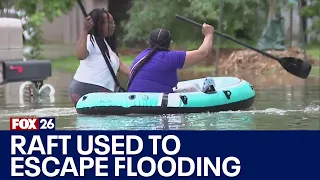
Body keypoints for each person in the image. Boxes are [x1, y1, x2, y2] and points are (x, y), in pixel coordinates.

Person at [127, 24, 214, 93]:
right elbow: (203, 53)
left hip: (133, 103)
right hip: (157, 107)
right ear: (170, 44)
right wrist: (209, 34)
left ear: (150, 43)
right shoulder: (170, 58)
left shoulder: (140, 57)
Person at [69, 8, 130, 107]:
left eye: (113, 22)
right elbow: (80, 55)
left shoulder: (105, 44)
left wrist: (139, 76)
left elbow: (120, 66)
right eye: (109, 23)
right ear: (99, 25)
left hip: (96, 90)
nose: (113, 25)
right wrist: (85, 30)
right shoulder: (90, 39)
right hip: (90, 88)